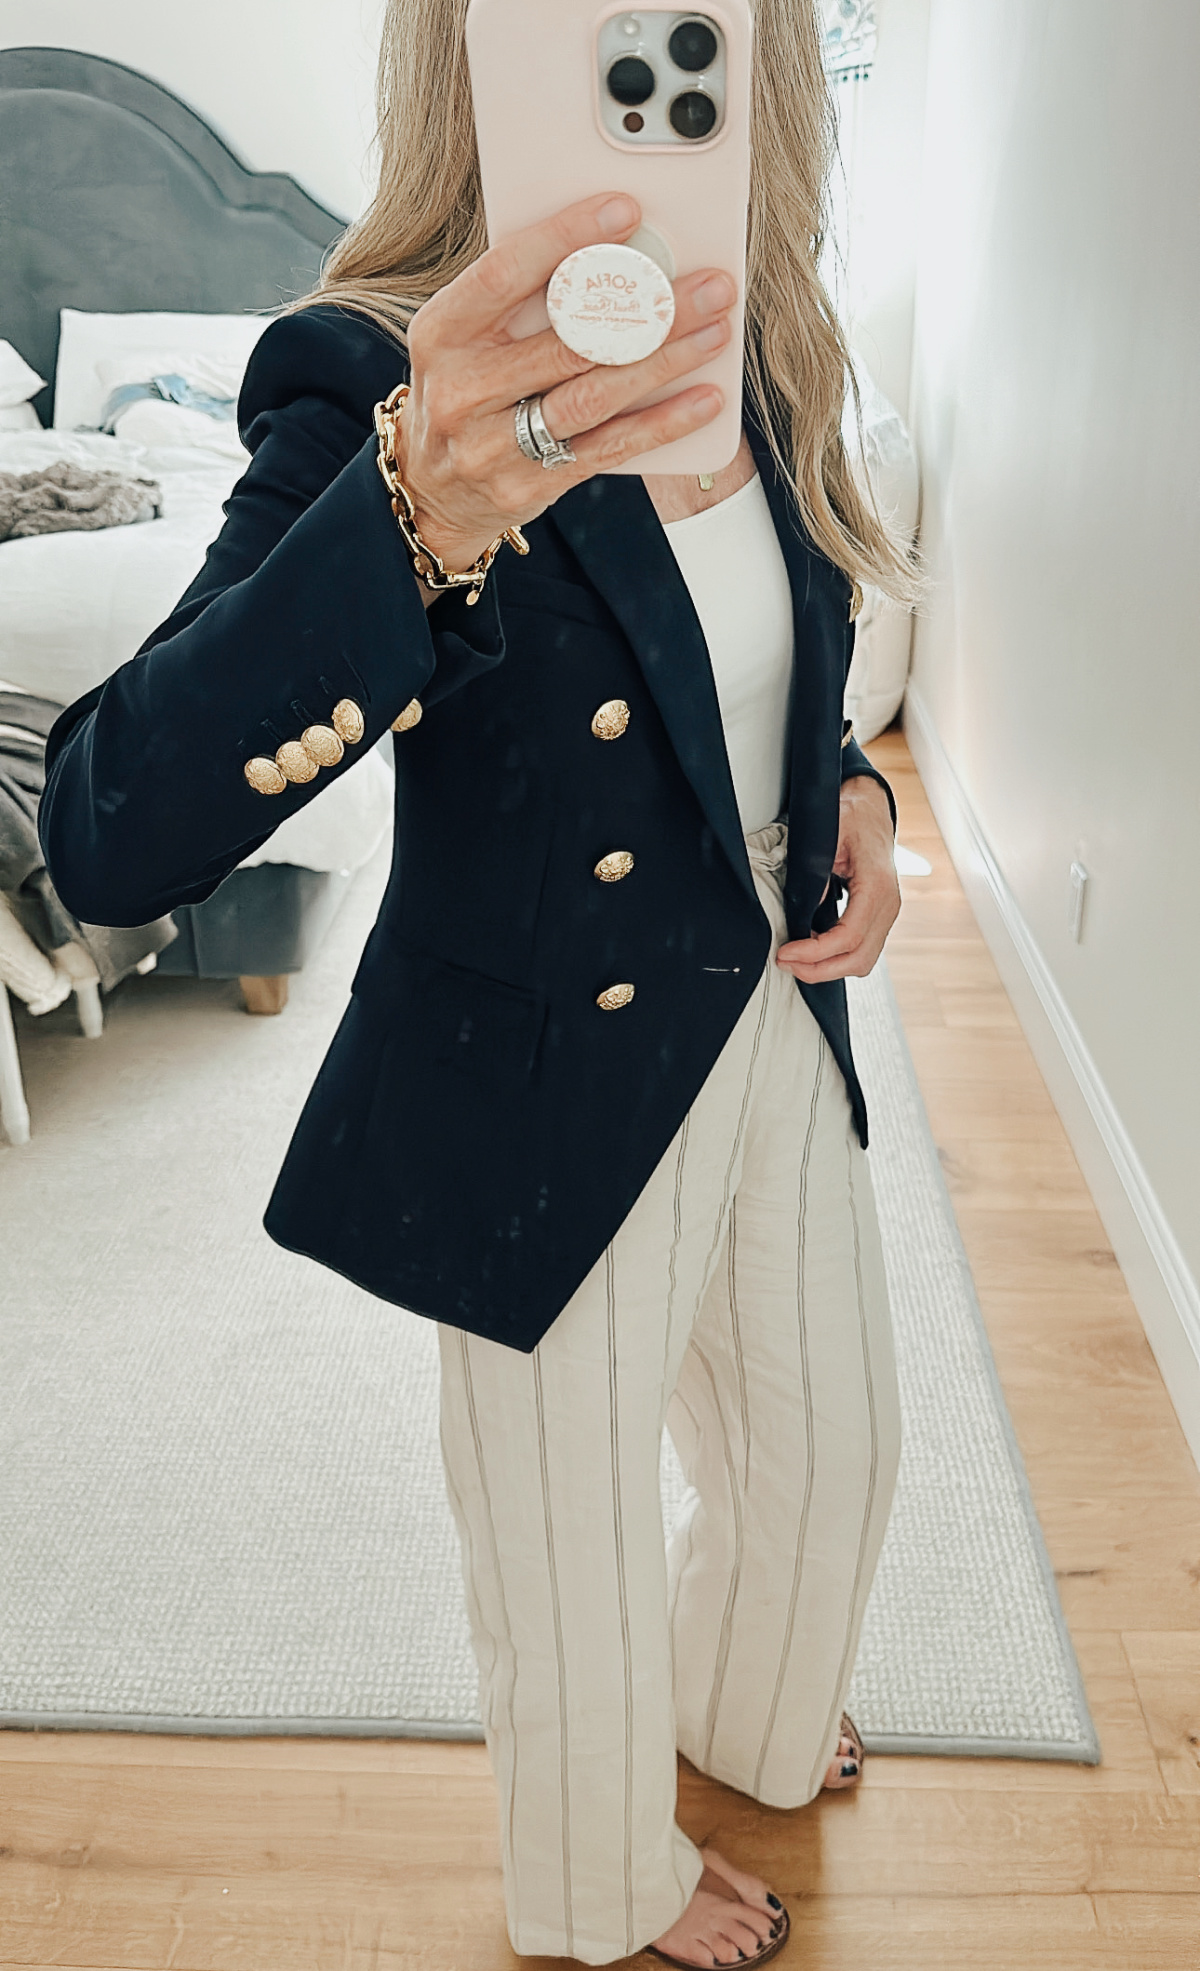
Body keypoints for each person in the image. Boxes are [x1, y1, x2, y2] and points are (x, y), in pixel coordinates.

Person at [39, 0, 917, 1961]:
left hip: (765, 981)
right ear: (470, 57)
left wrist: (845, 781)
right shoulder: (374, 376)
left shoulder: (744, 330)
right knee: (571, 1535)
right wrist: (417, 500)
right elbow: (105, 823)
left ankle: (743, 1714)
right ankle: (600, 1883)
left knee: (835, 1445)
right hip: (542, 1039)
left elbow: (761, 658)